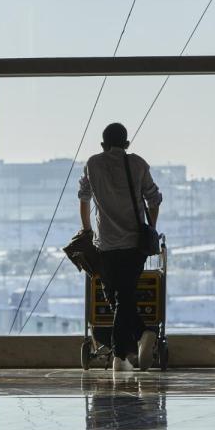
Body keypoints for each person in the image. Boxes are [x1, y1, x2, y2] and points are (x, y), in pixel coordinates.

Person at [77, 123, 162, 372]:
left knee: (115, 294)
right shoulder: (137, 164)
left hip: (106, 243)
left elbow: (83, 197)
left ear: (103, 144)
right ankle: (142, 334)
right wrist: (150, 227)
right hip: (135, 243)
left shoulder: (92, 164)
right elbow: (154, 198)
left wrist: (87, 228)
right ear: (126, 144)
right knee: (122, 296)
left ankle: (119, 354)